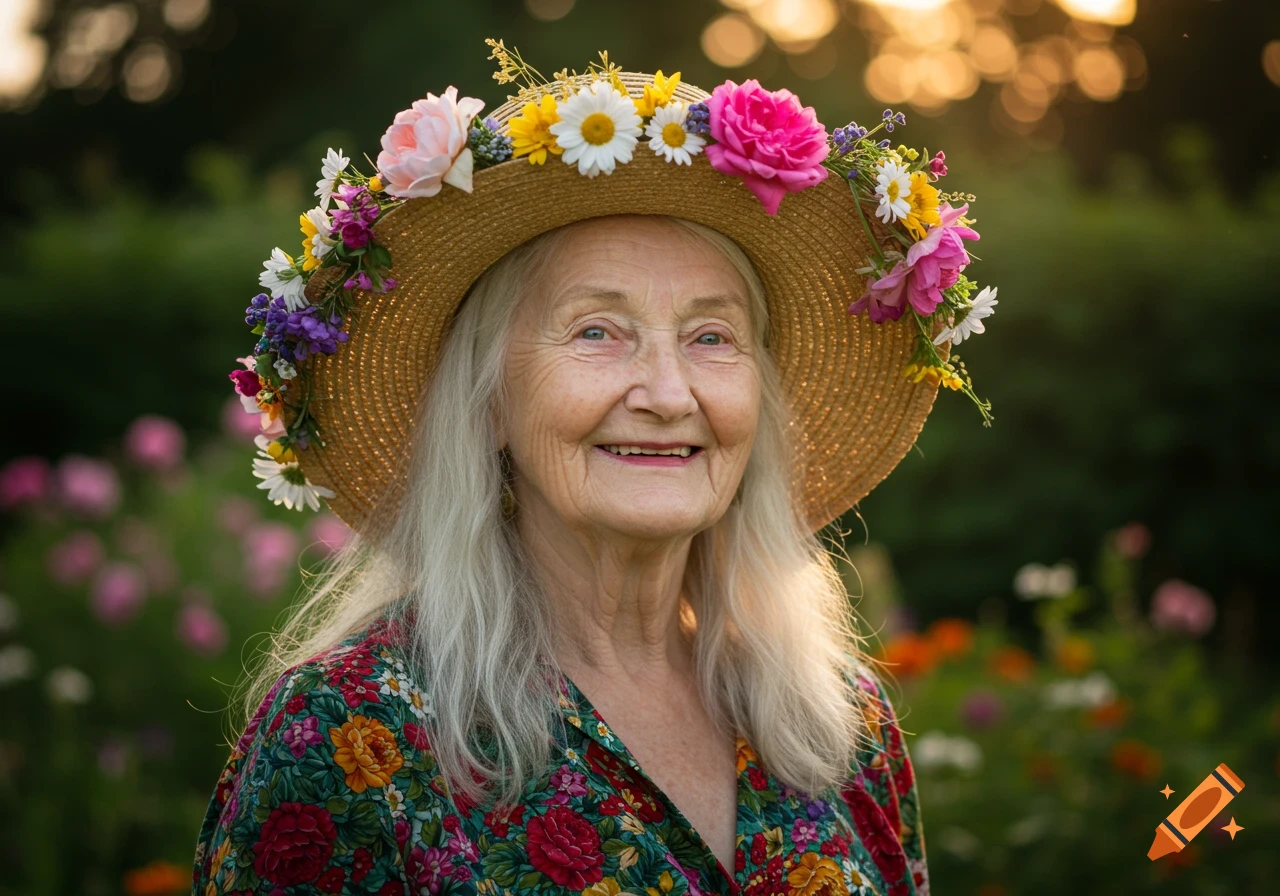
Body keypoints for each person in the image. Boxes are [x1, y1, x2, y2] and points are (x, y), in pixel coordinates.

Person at [199, 52, 998, 896]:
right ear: (490, 403)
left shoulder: (839, 722)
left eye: (712, 338)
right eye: (596, 332)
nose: (666, 393)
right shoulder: (349, 733)